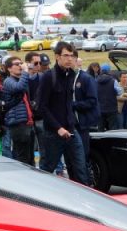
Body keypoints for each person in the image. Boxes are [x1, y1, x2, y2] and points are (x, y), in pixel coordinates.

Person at [36, 41, 89, 184]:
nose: (69, 59)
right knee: (47, 170)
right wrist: (58, 128)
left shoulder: (70, 74)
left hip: (71, 130)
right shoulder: (48, 77)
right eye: (66, 55)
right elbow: (41, 107)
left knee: (80, 169)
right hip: (54, 133)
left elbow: (67, 104)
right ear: (57, 57)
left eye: (71, 56)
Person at [0, 56, 35, 165]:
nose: (20, 66)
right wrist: (25, 72)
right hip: (17, 122)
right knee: (22, 156)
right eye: (17, 64)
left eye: (21, 63)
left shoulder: (22, 80)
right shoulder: (8, 81)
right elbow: (18, 88)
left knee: (30, 156)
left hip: (27, 122)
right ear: (9, 69)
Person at [95, 63, 121, 131]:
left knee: (100, 128)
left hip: (100, 109)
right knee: (113, 129)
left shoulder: (95, 81)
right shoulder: (113, 81)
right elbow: (119, 92)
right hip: (112, 108)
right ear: (109, 71)